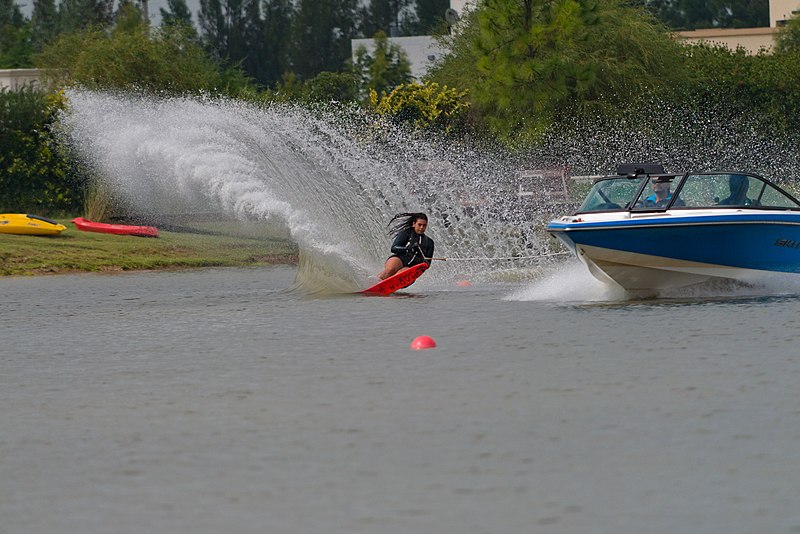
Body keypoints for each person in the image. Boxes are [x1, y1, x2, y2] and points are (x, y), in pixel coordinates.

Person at [378, 212, 435, 280]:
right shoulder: (406, 233)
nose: (422, 227)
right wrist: (409, 248)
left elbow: (428, 264)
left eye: (424, 225)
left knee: (402, 274)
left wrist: (422, 261)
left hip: (412, 268)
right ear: (414, 224)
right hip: (400, 259)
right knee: (390, 270)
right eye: (419, 225)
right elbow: (394, 248)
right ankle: (373, 282)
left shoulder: (429, 242)